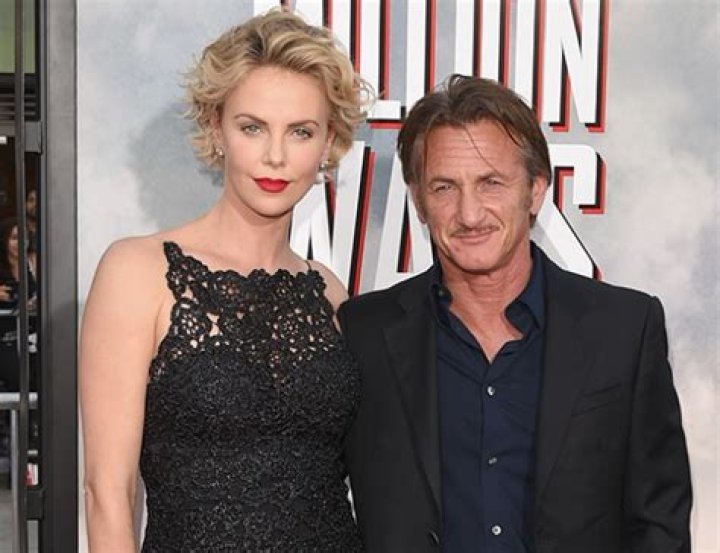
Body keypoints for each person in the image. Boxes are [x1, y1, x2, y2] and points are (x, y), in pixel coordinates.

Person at [338, 75, 691, 553]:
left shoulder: (625, 329)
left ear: (536, 189)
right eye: (444, 187)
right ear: (418, 200)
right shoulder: (363, 334)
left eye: (491, 183)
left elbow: (660, 524)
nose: (469, 214)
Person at [80, 9, 370, 552]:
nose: (276, 156)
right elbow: (107, 494)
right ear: (217, 128)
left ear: (328, 142)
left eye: (300, 132)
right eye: (252, 127)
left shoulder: (329, 292)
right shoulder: (137, 274)